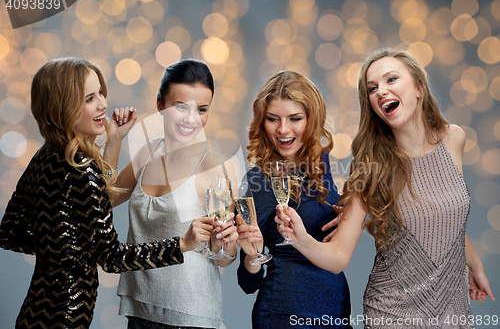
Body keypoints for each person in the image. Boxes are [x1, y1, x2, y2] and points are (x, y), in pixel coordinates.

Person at [275, 48, 495, 328]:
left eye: (391, 79)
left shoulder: (454, 139)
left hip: (453, 310)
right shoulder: (370, 165)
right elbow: (338, 257)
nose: (381, 90)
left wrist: (474, 266)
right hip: (393, 313)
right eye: (372, 88)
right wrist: (301, 237)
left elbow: (449, 215)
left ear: (418, 87)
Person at [0, 57, 196, 329]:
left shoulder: (44, 157)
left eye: (101, 93)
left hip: (32, 315)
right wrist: (181, 244)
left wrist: (60, 248)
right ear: (63, 107)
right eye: (90, 98)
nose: (104, 104)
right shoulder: (83, 171)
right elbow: (112, 258)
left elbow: (9, 232)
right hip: (66, 318)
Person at [114, 59, 242, 329]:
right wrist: (115, 140)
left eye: (202, 109)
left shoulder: (215, 167)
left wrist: (227, 243)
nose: (191, 119)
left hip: (189, 316)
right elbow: (103, 198)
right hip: (140, 309)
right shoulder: (147, 152)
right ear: (160, 105)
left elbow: (223, 255)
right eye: (180, 106)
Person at [236, 70, 352, 328]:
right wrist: (253, 256)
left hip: (335, 313)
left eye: (295, 118)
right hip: (280, 315)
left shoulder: (337, 169)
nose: (283, 129)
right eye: (273, 119)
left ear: (312, 119)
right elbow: (247, 283)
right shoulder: (257, 181)